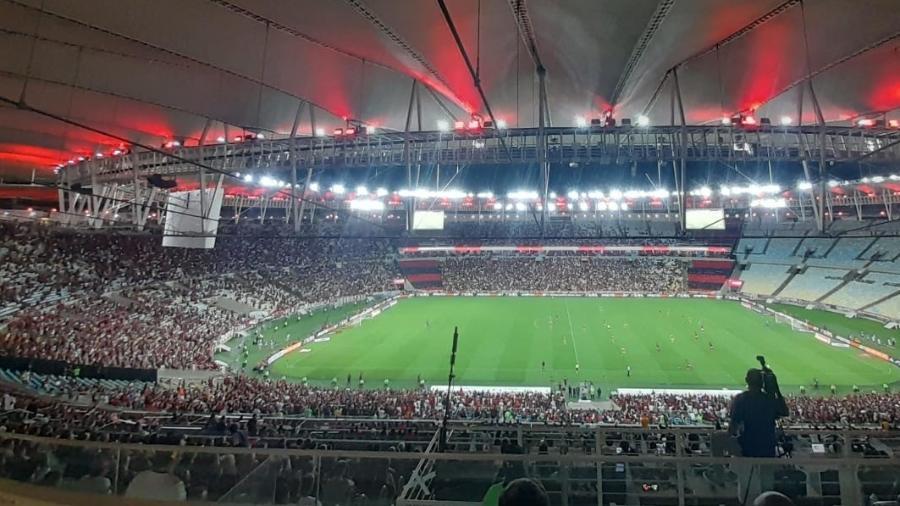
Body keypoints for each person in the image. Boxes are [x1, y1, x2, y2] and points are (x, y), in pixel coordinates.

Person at [729, 368, 789, 458]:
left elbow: (733, 426)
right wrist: (776, 389)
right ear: (762, 382)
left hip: (747, 446)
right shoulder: (769, 400)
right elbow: (785, 412)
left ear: (746, 380)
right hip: (767, 447)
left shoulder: (740, 399)